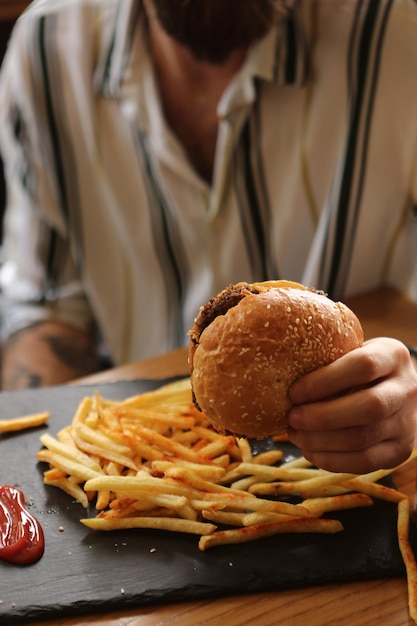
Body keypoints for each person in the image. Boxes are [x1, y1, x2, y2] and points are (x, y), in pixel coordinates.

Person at [0, 0, 416, 474]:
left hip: (348, 479)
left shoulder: (401, 39)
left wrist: (407, 391)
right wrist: (29, 467)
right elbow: (45, 308)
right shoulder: (46, 53)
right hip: (140, 465)